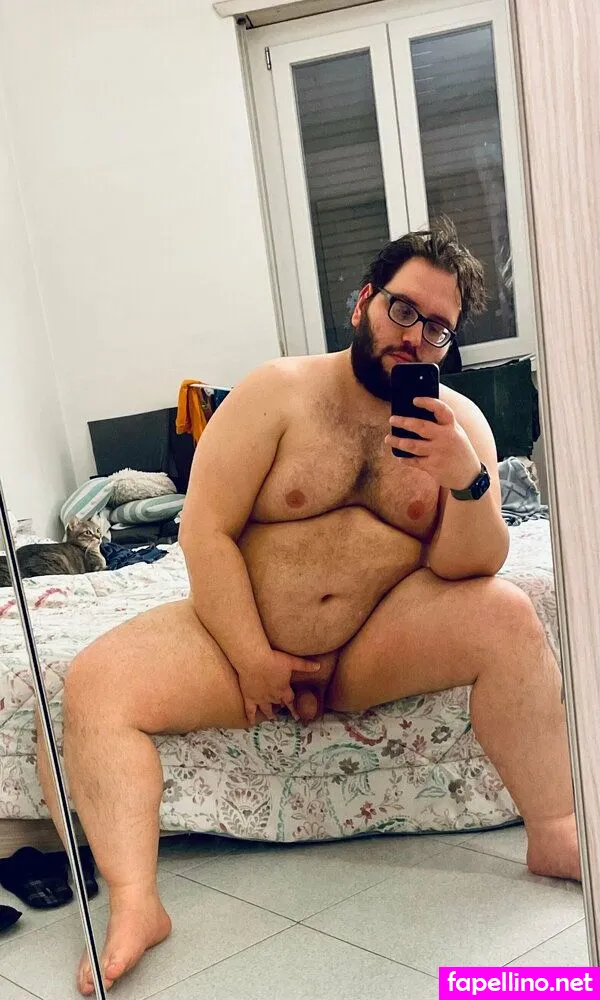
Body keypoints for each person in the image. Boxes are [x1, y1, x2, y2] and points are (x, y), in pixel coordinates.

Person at [36, 219, 580, 995]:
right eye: (402, 310)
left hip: (373, 643)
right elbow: (203, 530)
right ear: (363, 302)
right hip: (237, 642)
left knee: (509, 614)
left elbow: (467, 568)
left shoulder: (461, 427)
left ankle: (556, 832)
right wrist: (251, 657)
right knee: (93, 684)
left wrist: (466, 480)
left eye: (437, 329)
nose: (415, 337)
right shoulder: (277, 392)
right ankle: (135, 902)